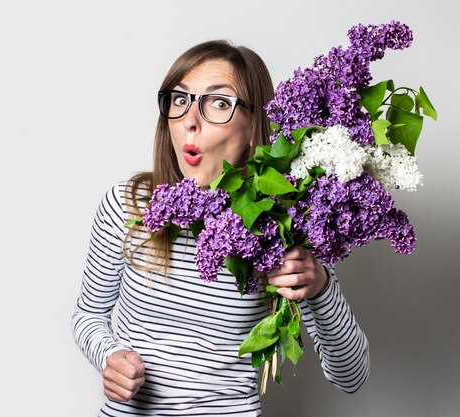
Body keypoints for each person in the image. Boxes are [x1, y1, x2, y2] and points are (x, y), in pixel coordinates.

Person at [72, 40, 370, 417]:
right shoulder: (129, 204)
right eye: (180, 100)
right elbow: (87, 315)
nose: (189, 120)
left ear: (252, 128)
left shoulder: (282, 227)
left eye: (218, 103)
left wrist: (321, 286)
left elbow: (352, 376)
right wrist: (110, 356)